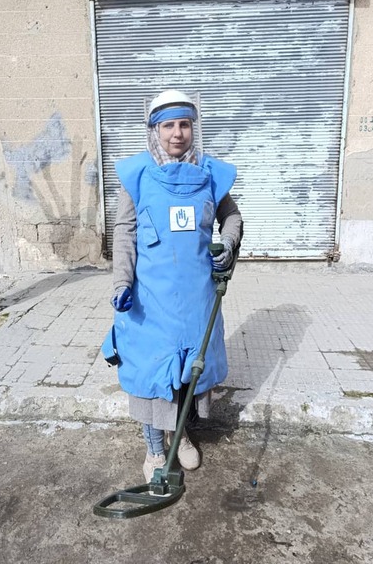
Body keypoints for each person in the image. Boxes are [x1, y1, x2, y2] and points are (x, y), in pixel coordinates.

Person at [101, 89, 243, 483]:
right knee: (151, 372)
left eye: (184, 124)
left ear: (193, 128)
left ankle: (180, 438)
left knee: (188, 371)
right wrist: (121, 280)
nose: (177, 133)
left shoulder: (210, 174)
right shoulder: (138, 175)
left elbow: (232, 219)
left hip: (196, 296)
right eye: (168, 125)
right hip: (150, 296)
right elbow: (125, 231)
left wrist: (227, 245)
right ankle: (154, 450)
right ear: (154, 130)